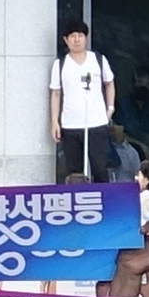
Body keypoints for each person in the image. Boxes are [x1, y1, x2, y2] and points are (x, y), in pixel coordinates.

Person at [53, 27, 119, 183]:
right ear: (66, 40)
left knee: (99, 168)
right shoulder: (61, 64)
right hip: (70, 123)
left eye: (80, 36)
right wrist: (54, 121)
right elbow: (55, 93)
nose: (76, 40)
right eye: (72, 36)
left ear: (86, 38)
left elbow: (109, 83)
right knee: (74, 171)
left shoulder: (98, 60)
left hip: (96, 123)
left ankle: (103, 202)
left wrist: (110, 108)